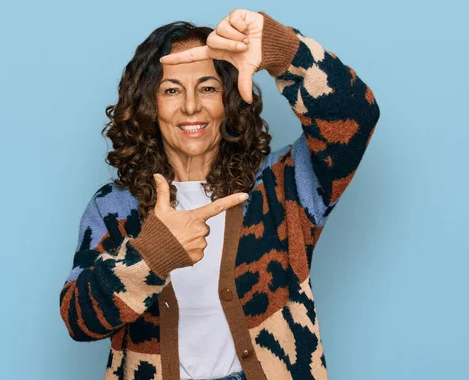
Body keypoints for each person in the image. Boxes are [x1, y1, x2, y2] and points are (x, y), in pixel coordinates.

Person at [59, 8, 380, 380]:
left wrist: (283, 51)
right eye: (171, 90)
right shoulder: (114, 206)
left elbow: (356, 117)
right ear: (149, 105)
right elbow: (79, 320)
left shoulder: (283, 183)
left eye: (207, 88)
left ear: (229, 99)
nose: (191, 106)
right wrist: (153, 256)